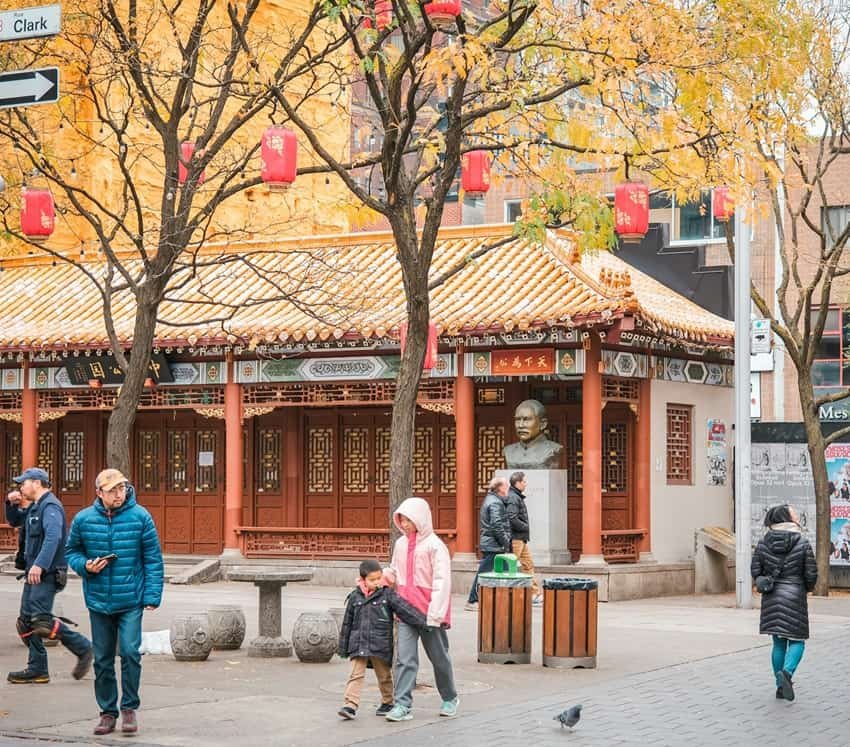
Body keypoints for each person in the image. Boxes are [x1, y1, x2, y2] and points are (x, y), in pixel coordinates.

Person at [65, 469, 164, 736]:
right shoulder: (84, 519)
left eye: (122, 488)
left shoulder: (140, 517)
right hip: (98, 600)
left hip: (131, 598)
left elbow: (153, 558)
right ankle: (107, 712)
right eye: (112, 490)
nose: (119, 494)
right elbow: (71, 551)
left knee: (131, 652)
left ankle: (129, 708)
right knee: (103, 660)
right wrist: (85, 566)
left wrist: (153, 595)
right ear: (99, 493)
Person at [6, 468, 93, 685]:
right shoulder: (35, 506)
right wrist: (11, 504)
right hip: (33, 572)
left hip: (47, 573)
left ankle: (83, 648)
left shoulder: (50, 506)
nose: (21, 487)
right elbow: (16, 522)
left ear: (36, 483)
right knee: (26, 623)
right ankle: (37, 669)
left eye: (23, 483)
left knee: (41, 621)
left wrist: (40, 565)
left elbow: (53, 538)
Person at [383, 497, 458, 722]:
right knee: (405, 658)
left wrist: (435, 614)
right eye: (402, 520)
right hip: (405, 610)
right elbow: (396, 571)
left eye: (408, 520)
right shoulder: (401, 544)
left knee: (439, 657)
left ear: (420, 519)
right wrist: (385, 577)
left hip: (428, 612)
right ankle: (402, 704)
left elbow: (442, 581)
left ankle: (449, 697)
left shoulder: (436, 546)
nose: (404, 524)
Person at [337, 558, 426, 720]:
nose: (377, 582)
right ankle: (350, 705)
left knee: (384, 675)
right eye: (372, 580)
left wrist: (423, 621)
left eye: (379, 578)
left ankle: (387, 702)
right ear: (362, 580)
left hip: (380, 643)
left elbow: (404, 608)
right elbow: (347, 623)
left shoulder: (387, 594)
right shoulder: (355, 597)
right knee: (355, 674)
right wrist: (343, 648)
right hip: (358, 644)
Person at [750, 504, 817, 702]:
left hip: (772, 596)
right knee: (797, 640)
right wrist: (807, 587)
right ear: (786, 517)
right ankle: (786, 674)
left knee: (778, 643)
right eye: (793, 512)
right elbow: (811, 573)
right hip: (795, 594)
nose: (796, 515)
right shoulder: (802, 543)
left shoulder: (763, 543)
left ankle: (780, 687)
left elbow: (755, 571)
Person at [465, 476, 512, 611]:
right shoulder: (495, 503)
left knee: (505, 572)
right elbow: (497, 525)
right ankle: (473, 600)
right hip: (494, 545)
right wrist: (505, 542)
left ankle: (504, 600)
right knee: (484, 573)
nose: (508, 487)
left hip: (494, 544)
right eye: (506, 485)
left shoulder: (493, 500)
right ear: (500, 488)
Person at [505, 471, 542, 604]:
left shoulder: (516, 496)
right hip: (516, 538)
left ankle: (534, 594)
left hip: (521, 538)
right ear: (518, 482)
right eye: (524, 481)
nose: (526, 484)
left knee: (527, 564)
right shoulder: (513, 497)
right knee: (511, 567)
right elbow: (511, 517)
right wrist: (525, 527)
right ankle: (508, 594)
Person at [503, 399, 563, 469]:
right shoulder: (509, 450)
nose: (520, 425)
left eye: (527, 419)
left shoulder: (553, 449)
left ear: (542, 424)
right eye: (518, 419)